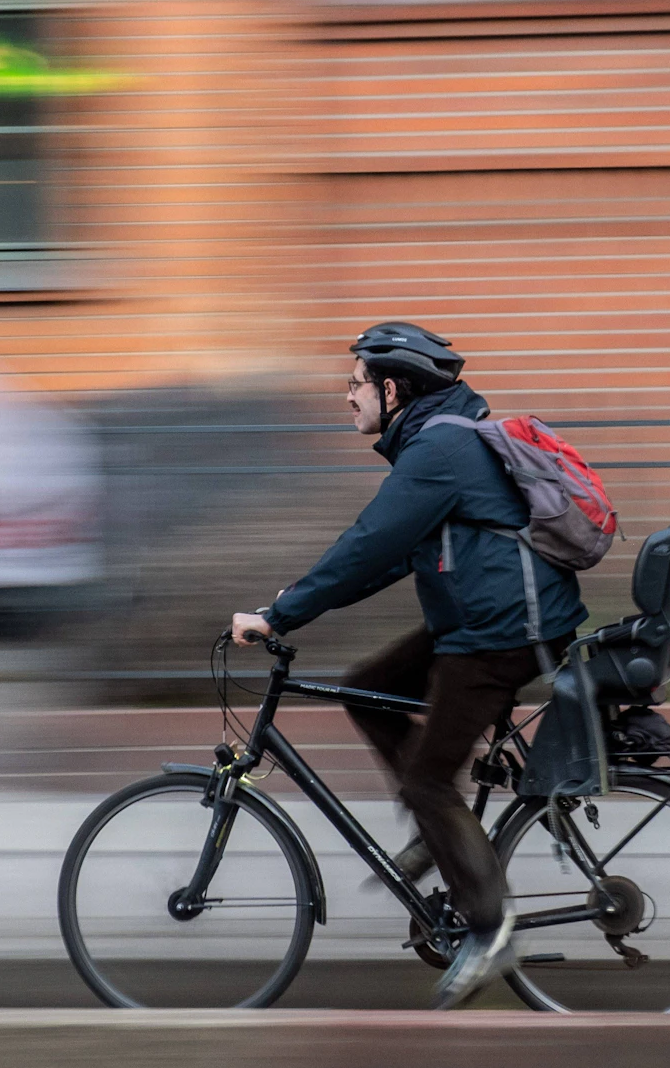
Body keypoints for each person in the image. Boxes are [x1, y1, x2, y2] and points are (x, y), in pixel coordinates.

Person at [229, 321, 587, 1007]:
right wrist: (294, 604)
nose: (347, 396)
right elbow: (389, 556)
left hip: (501, 633)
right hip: (483, 620)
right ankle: (441, 832)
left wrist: (280, 615)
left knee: (428, 779)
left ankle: (490, 928)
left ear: (392, 390)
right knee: (368, 688)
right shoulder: (438, 443)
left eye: (355, 384)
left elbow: (367, 543)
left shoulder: (439, 449)